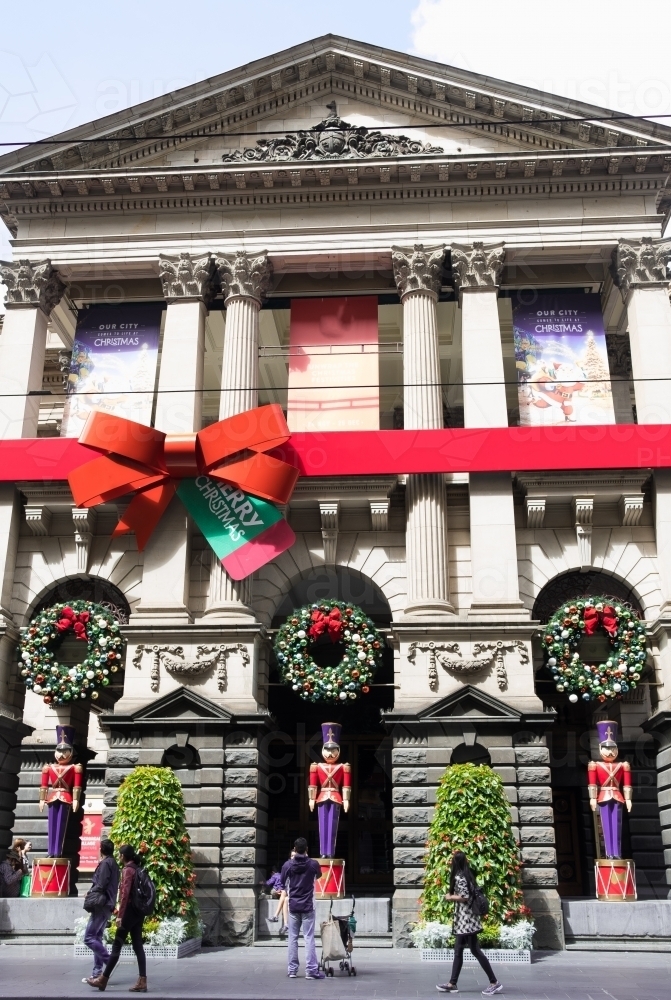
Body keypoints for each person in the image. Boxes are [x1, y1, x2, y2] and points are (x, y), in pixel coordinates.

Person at [436, 852, 503, 996]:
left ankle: (494, 982)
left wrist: (450, 897)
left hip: (466, 921)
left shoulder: (459, 877)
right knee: (459, 950)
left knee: (474, 951)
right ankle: (452, 983)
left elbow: (465, 897)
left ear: (455, 862)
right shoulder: (467, 875)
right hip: (465, 920)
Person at [87, 844, 147, 993]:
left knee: (116, 947)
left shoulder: (127, 870)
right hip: (138, 913)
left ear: (122, 856)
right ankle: (142, 980)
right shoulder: (138, 868)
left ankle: (103, 979)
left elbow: (125, 895)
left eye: (120, 855)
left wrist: (120, 916)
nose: (119, 857)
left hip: (129, 913)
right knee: (138, 946)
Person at [279, 837, 325, 980]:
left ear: (294, 849)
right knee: (309, 937)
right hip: (308, 906)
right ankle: (311, 970)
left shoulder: (288, 865)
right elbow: (319, 875)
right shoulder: (313, 864)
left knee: (292, 938)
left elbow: (281, 882)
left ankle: (292, 970)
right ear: (306, 850)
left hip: (293, 905)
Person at [82, 840, 120, 985]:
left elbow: (102, 884)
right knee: (96, 937)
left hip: (101, 904)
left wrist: (90, 892)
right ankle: (97, 973)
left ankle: (108, 961)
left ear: (101, 849)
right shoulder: (114, 863)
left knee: (89, 937)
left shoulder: (106, 863)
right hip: (107, 903)